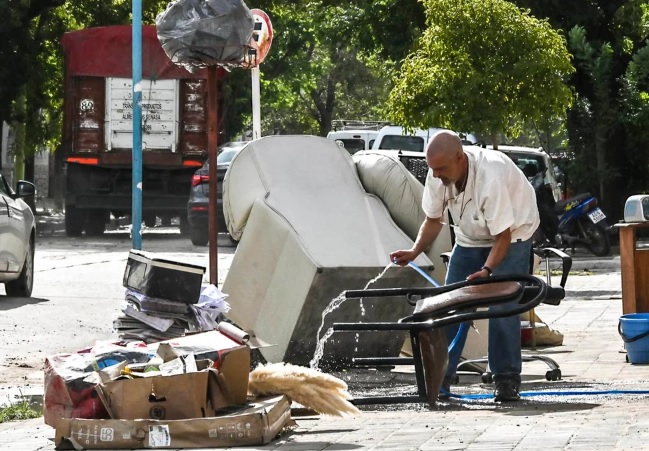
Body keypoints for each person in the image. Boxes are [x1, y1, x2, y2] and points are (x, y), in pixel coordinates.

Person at [390, 130, 540, 402]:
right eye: (432, 168)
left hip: (514, 232)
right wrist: (414, 251)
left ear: (460, 158)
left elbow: (502, 236)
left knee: (502, 303)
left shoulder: (489, 176)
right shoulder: (437, 173)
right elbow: (433, 220)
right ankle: (439, 380)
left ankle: (506, 380)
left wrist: (487, 271)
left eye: (441, 168)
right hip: (470, 237)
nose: (435, 175)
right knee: (448, 304)